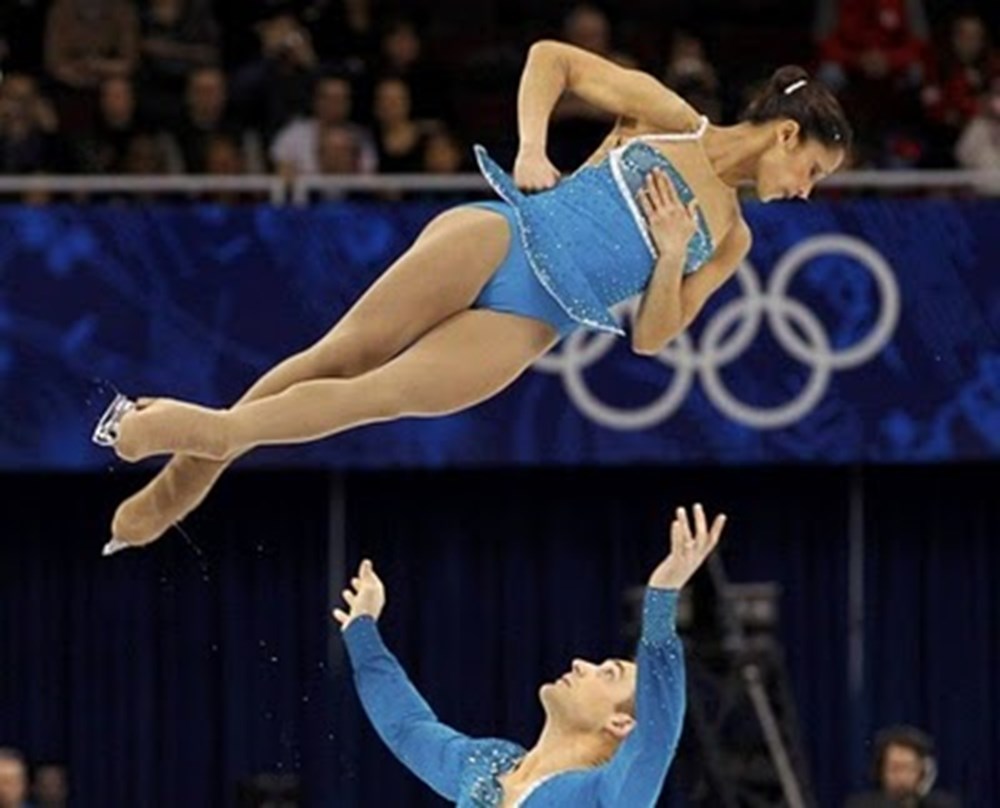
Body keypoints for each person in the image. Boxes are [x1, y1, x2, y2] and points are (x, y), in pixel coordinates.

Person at [93, 40, 851, 555]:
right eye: (813, 170)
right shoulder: (668, 118)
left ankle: (216, 438)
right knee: (343, 353)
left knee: (376, 395)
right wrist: (530, 147)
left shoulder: (731, 239)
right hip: (502, 233)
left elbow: (654, 338)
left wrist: (670, 252)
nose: (806, 192)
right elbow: (548, 59)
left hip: (533, 319)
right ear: (785, 134)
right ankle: (190, 473)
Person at [335, 503, 726, 806]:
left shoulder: (606, 796)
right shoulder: (486, 766)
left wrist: (662, 596)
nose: (581, 664)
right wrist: (362, 628)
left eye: (608, 674)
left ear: (622, 722)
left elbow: (656, 741)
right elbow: (407, 728)